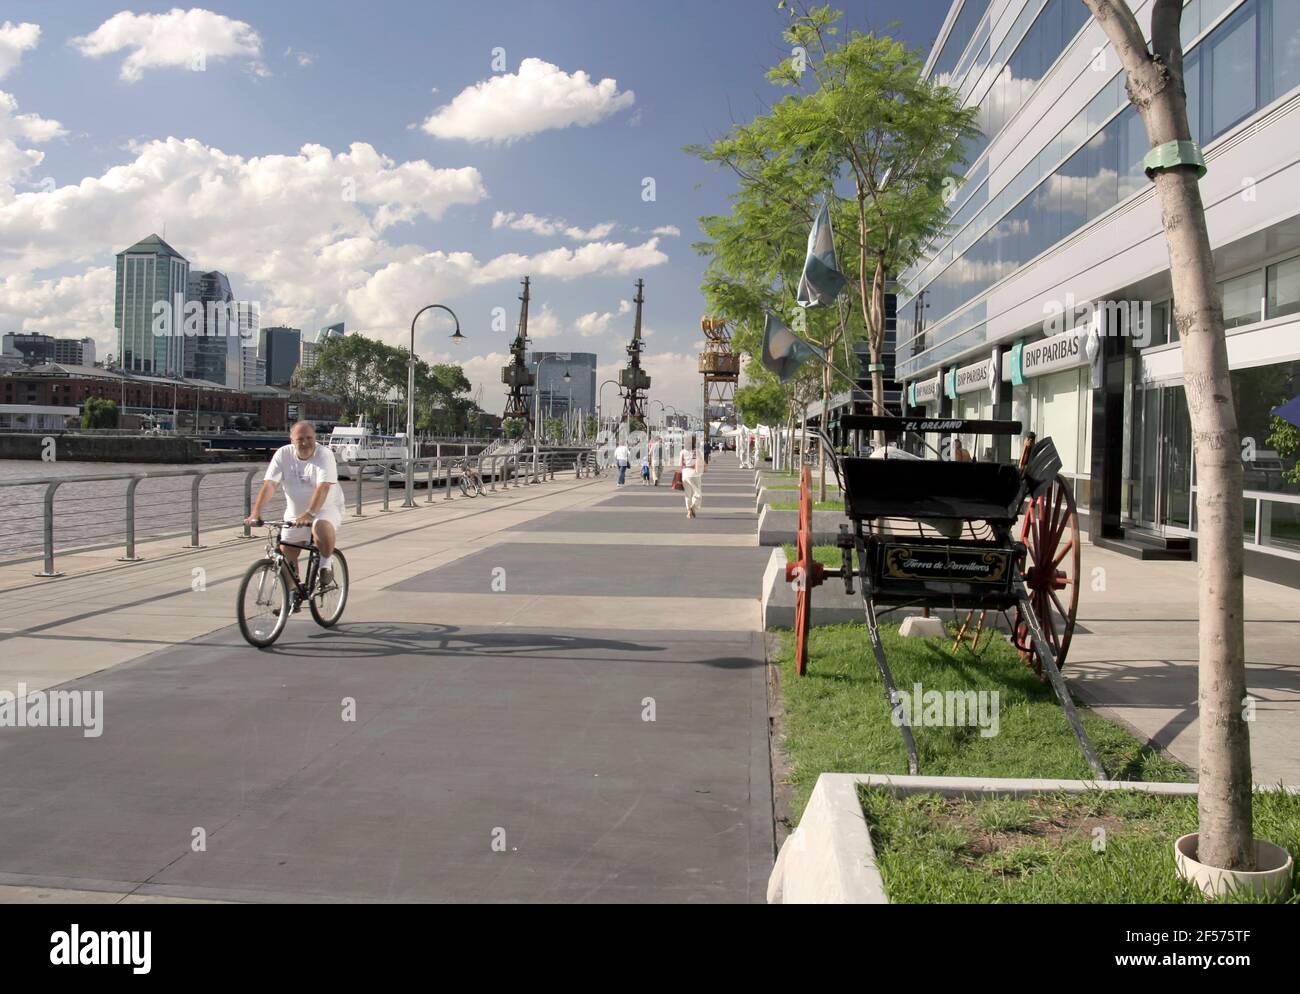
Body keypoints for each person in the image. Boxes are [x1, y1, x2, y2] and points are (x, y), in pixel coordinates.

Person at [245, 420, 345, 596]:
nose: (305, 442)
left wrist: (310, 513)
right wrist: (256, 513)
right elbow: (270, 485)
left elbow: (323, 487)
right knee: (286, 555)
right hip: (295, 512)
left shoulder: (324, 455)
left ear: (315, 438)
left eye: (309, 438)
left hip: (326, 508)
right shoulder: (283, 455)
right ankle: (292, 596)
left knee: (320, 525)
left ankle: (326, 565)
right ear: (292, 440)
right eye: (300, 439)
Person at [680, 433, 706, 518]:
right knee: (697, 493)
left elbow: (680, 464)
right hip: (694, 473)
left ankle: (688, 511)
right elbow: (701, 462)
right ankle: (693, 507)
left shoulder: (682, 452)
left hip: (685, 473)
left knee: (688, 494)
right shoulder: (697, 451)